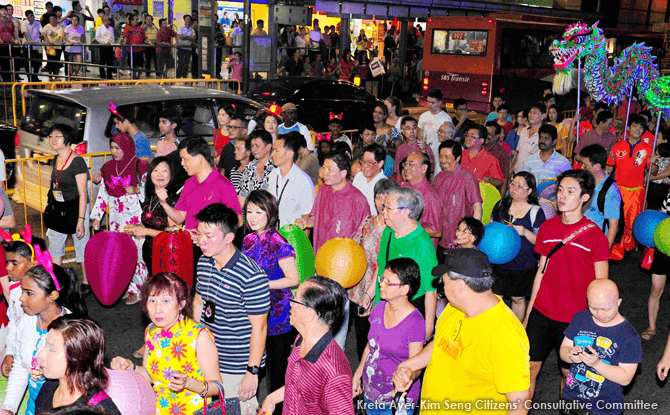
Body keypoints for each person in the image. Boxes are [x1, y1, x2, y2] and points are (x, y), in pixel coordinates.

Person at [392, 249, 531, 414]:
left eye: (444, 280)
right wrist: (408, 366)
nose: (441, 285)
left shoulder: (505, 333)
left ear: (460, 286)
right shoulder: (454, 307)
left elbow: (520, 404)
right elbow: (441, 344)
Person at [524, 169, 610, 399]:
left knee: (568, 373)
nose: (562, 196)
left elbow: (602, 285)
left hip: (575, 319)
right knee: (528, 370)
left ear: (584, 197)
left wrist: (598, 324)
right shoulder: (547, 228)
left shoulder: (595, 237)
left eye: (570, 191)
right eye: (560, 190)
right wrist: (529, 313)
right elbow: (540, 273)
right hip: (542, 312)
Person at [192, 204, 270, 413]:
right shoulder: (203, 262)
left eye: (208, 236)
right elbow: (199, 302)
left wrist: (252, 372)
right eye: (199, 234)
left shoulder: (252, 276)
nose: (201, 241)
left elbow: (260, 328)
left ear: (229, 238)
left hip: (237, 364)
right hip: (207, 358)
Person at [111, 272, 223, 415]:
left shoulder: (198, 336)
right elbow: (151, 376)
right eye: (152, 301)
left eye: (166, 301)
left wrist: (188, 383)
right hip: (159, 409)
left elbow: (217, 387)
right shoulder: (152, 331)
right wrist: (130, 366)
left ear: (181, 303)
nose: (158, 309)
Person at [0, 262, 87, 415]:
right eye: (22, 291)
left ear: (52, 296)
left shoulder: (70, 331)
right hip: (34, 407)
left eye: (29, 293)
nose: (21, 298)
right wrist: (9, 408)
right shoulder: (28, 320)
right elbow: (21, 365)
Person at [260, 276, 354, 415]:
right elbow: (298, 386)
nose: (290, 303)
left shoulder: (334, 371)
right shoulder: (300, 340)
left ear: (310, 314)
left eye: (295, 299)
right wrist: (271, 399)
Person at [242, 191, 299, 414]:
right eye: (249, 211)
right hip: (254, 312)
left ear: (271, 213)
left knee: (278, 370)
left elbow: (293, 279)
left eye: (259, 211)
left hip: (278, 316)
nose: (253, 216)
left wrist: (262, 284)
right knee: (254, 364)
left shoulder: (279, 242)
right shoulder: (247, 239)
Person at [353, 258, 425, 414]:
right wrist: (357, 375)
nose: (381, 284)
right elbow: (370, 346)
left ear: (404, 289)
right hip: (371, 391)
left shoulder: (415, 322)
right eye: (382, 279)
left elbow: (418, 364)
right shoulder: (379, 307)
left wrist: (406, 377)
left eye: (388, 282)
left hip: (394, 399)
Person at [560, 280, 641, 415]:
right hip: (571, 397)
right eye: (594, 308)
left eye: (606, 309)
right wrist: (571, 355)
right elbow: (563, 349)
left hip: (604, 407)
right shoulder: (580, 319)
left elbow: (626, 378)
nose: (600, 314)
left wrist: (596, 364)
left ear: (619, 302)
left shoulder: (629, 336)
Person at [91, 133, 149, 304]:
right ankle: (126, 286)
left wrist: (137, 190)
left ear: (127, 147)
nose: (114, 151)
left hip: (134, 214)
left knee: (137, 251)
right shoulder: (108, 168)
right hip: (116, 216)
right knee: (120, 252)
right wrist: (96, 217)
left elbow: (149, 190)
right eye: (112, 148)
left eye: (118, 148)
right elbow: (103, 194)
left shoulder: (140, 165)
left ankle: (141, 288)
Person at [377, 187, 437, 340]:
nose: (383, 211)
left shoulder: (423, 245)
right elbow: (381, 266)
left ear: (405, 212)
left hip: (409, 309)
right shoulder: (389, 231)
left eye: (388, 207)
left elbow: (431, 290)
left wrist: (428, 328)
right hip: (385, 304)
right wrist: (369, 296)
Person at [351, 179, 400, 360]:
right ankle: (361, 376)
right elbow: (354, 247)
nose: (382, 202)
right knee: (361, 334)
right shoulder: (367, 222)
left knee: (379, 337)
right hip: (360, 285)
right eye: (379, 197)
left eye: (386, 198)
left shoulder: (395, 230)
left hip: (382, 287)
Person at [34, 318, 121, 415]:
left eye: (51, 349)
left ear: (77, 356)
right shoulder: (49, 386)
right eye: (45, 345)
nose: (40, 354)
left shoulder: (100, 410)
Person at [491, 172, 546, 321]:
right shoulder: (501, 205)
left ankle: (516, 330)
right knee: (495, 297)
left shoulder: (536, 212)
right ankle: (496, 327)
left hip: (522, 263)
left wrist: (525, 232)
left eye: (520, 186)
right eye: (513, 184)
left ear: (529, 191)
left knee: (518, 298)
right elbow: (491, 228)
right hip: (498, 262)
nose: (514, 188)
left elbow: (540, 242)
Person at [163, 137, 242, 234]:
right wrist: (163, 203)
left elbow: (238, 221)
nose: (182, 163)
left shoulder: (224, 185)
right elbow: (180, 217)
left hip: (212, 245)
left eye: (185, 159)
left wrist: (207, 233)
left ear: (200, 158)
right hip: (190, 242)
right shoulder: (189, 183)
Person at [296, 151, 370, 253]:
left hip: (344, 259)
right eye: (323, 167)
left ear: (343, 173)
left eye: (330, 169)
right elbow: (316, 218)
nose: (324, 173)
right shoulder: (323, 190)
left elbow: (365, 235)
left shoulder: (357, 200)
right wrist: (306, 222)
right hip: (320, 254)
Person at [44, 125, 89, 289]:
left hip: (77, 208)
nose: (53, 140)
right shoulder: (56, 158)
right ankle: (56, 282)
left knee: (81, 245)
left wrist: (81, 220)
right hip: (58, 207)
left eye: (57, 136)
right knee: (55, 245)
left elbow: (83, 194)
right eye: (50, 136)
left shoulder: (77, 162)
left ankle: (86, 282)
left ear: (68, 139)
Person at [606, 114, 653, 260]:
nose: (638, 129)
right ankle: (615, 244)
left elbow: (653, 171)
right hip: (618, 189)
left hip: (637, 190)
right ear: (628, 128)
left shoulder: (648, 149)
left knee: (632, 220)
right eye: (635, 126)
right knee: (617, 219)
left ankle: (629, 246)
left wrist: (654, 162)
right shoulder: (617, 147)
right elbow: (609, 167)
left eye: (641, 127)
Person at [0, 232, 47, 378]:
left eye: (14, 263)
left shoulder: (42, 293)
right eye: (7, 262)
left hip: (40, 357)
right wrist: (10, 352)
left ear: (33, 263)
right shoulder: (14, 289)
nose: (8, 267)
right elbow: (14, 322)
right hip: (21, 354)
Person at [125, 157, 178, 276]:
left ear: (171, 174)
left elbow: (173, 235)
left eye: (164, 170)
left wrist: (144, 231)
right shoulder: (150, 197)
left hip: (166, 255)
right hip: (150, 253)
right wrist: (135, 227)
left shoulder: (172, 200)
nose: (160, 174)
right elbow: (148, 222)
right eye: (155, 170)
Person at [433, 139, 483, 263]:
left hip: (460, 240)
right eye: (441, 156)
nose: (443, 160)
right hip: (441, 237)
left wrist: (472, 237)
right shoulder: (439, 178)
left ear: (458, 158)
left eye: (447, 157)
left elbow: (477, 207)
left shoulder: (467, 178)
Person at [267, 133, 315, 228]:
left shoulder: (303, 181)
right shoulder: (272, 175)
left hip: (291, 238)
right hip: (272, 235)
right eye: (273, 150)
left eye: (276, 151)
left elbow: (306, 218)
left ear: (290, 153)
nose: (272, 154)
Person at [580, 144, 621, 248]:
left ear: (597, 166)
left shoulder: (610, 191)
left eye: (585, 165)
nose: (582, 167)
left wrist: (604, 253)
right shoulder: (584, 181)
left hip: (594, 243)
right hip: (578, 237)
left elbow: (613, 227)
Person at [401, 152, 442, 247]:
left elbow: (436, 231)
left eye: (411, 164)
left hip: (420, 249)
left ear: (424, 168)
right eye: (406, 164)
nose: (406, 168)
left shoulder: (430, 197)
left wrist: (407, 230)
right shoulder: (403, 187)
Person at [418, 88, 452, 168]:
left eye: (433, 102)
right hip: (425, 155)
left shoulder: (446, 119)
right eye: (428, 102)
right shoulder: (423, 116)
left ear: (440, 103)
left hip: (438, 157)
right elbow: (420, 136)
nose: (429, 105)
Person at [238, 130, 274, 201]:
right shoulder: (250, 166)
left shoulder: (276, 166)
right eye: (252, 146)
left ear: (268, 147)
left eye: (257, 146)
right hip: (251, 209)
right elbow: (243, 194)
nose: (254, 149)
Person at [352, 144, 387, 215]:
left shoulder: (385, 184)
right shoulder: (359, 176)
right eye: (363, 161)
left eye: (370, 162)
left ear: (380, 164)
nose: (365, 166)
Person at [513, 104, 545, 174]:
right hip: (518, 172)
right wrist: (511, 170)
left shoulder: (544, 135)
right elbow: (518, 153)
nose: (531, 115)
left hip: (532, 175)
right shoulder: (524, 131)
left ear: (543, 116)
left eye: (535, 113)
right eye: (530, 112)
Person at [218, 116, 249, 181]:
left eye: (234, 127)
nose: (230, 130)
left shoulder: (250, 148)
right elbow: (222, 171)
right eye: (229, 127)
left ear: (244, 131)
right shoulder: (226, 148)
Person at [22, 10, 43, 83]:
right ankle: (29, 77)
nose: (32, 17)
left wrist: (46, 39)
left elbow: (42, 32)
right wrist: (28, 40)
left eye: (33, 15)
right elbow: (24, 32)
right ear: (27, 16)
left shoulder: (37, 23)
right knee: (28, 63)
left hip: (35, 46)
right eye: (31, 15)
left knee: (38, 62)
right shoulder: (24, 23)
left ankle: (34, 76)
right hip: (27, 46)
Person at [122, 14, 145, 79]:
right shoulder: (127, 27)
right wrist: (124, 42)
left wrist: (149, 42)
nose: (137, 20)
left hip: (139, 49)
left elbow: (144, 37)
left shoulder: (139, 28)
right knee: (133, 65)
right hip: (131, 50)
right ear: (132, 21)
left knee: (140, 65)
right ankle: (134, 77)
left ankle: (138, 77)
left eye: (137, 19)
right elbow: (125, 35)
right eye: (136, 19)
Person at [42, 13, 64, 81]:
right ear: (49, 19)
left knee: (57, 61)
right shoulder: (46, 26)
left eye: (54, 19)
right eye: (51, 19)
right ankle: (50, 75)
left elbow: (61, 36)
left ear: (56, 19)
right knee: (50, 60)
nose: (52, 20)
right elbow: (44, 34)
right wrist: (48, 41)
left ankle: (56, 75)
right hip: (49, 47)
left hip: (57, 46)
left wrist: (61, 41)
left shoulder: (59, 27)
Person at [94, 15, 115, 79]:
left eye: (108, 20)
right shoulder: (99, 28)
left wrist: (114, 47)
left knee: (110, 62)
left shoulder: (111, 28)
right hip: (103, 46)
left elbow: (112, 38)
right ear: (102, 21)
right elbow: (97, 38)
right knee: (102, 61)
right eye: (105, 20)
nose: (107, 22)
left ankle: (109, 75)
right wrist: (105, 42)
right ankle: (102, 76)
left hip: (110, 47)